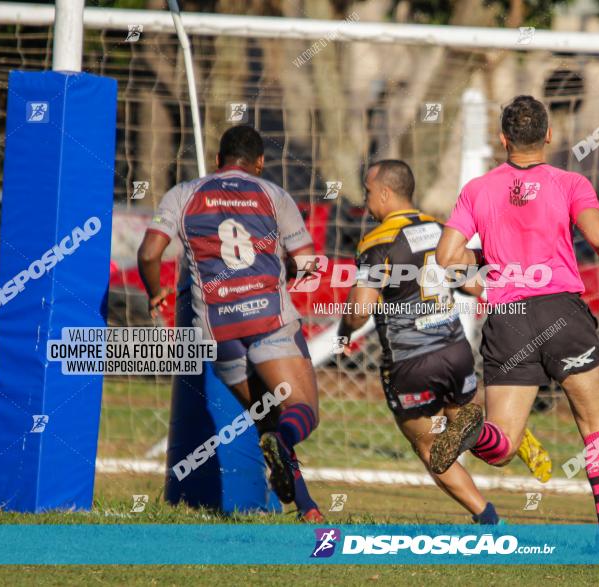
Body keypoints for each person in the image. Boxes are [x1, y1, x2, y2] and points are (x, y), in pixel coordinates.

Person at [432, 96, 599, 552]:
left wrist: (487, 264)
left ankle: (474, 432)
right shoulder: (569, 182)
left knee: (503, 446)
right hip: (560, 312)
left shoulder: (478, 189)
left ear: (503, 139)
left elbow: (446, 258)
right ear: (549, 135)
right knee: (595, 425)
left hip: (507, 319)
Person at [337, 159, 552, 524]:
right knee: (463, 426)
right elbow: (472, 285)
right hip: (455, 354)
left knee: (431, 446)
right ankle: (513, 439)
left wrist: (345, 328)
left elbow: (360, 310)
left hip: (411, 363)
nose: (367, 200)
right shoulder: (440, 230)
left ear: (386, 193)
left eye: (369, 192)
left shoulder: (378, 241)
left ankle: (488, 518)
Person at [137, 125, 323, 522]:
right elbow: (309, 264)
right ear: (259, 163)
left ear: (218, 160)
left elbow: (149, 252)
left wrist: (156, 293)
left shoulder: (182, 193)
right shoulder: (274, 195)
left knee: (266, 416)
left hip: (216, 331)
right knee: (300, 412)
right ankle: (288, 457)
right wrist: (284, 275)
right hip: (269, 321)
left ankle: (307, 508)